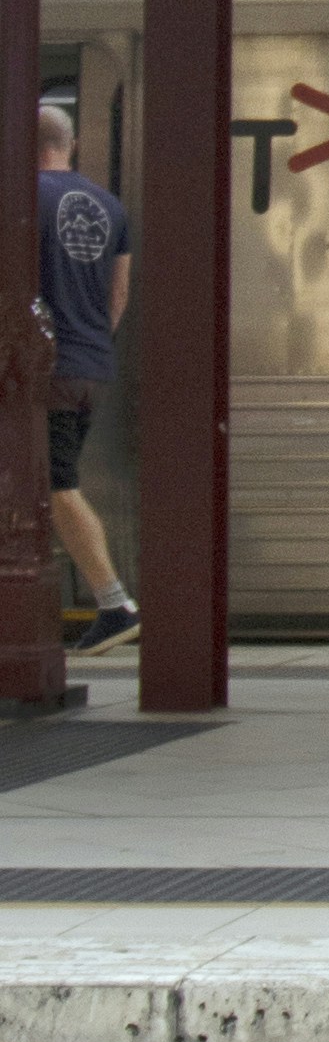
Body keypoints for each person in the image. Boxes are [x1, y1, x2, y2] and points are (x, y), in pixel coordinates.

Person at [32, 96, 137, 653]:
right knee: (46, 484)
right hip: (90, 364)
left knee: (56, 486)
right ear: (71, 145)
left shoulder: (21, 198)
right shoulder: (109, 206)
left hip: (43, 370)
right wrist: (90, 343)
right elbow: (118, 294)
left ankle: (114, 603)